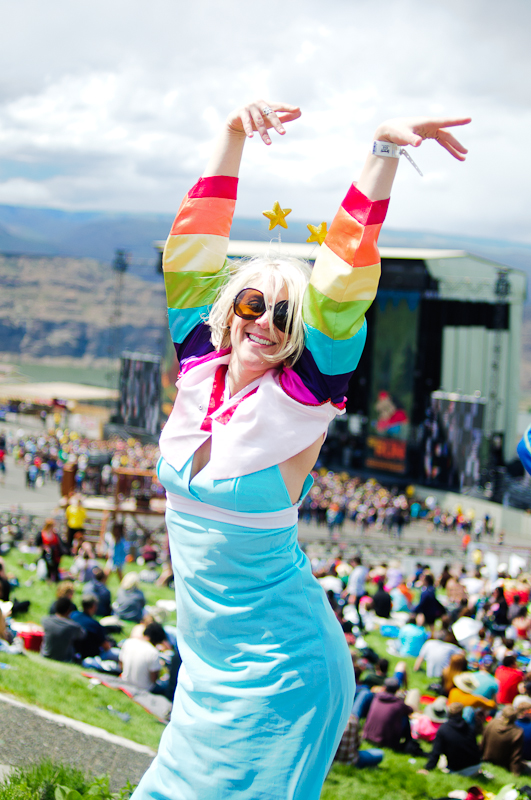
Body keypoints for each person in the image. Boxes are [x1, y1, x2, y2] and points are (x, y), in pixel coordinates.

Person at [130, 98, 470, 800]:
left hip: (283, 668)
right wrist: (229, 136)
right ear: (227, 310)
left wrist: (381, 152)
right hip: (207, 659)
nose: (262, 323)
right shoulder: (198, 364)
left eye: (284, 315)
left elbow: (342, 280)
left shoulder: (305, 394)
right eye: (251, 304)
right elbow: (192, 247)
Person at [419, 702, 482, 776]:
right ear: (461, 713)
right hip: (476, 765)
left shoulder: (443, 729)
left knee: (442, 760)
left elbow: (436, 753)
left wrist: (427, 768)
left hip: (459, 769)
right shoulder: (469, 727)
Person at [362, 677, 414, 751]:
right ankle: (408, 742)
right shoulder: (398, 703)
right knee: (405, 717)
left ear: (384, 687)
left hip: (366, 736)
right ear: (397, 690)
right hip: (385, 742)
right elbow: (411, 710)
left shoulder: (376, 697)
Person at [119, 621, 166, 691]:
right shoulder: (154, 652)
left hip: (126, 682)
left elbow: (121, 666)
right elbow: (153, 679)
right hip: (144, 688)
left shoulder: (128, 642)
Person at [41, 595, 86, 662]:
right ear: (69, 610)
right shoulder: (73, 626)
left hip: (45, 655)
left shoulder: (45, 620)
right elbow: (83, 635)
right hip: (65, 659)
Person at [481, 705, 524, 774]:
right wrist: (516, 773)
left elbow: (482, 743)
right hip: (504, 764)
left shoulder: (492, 723)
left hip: (486, 759)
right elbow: (516, 756)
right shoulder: (517, 732)